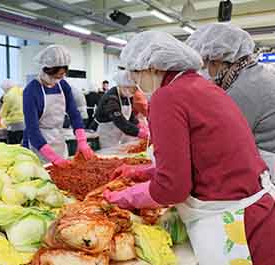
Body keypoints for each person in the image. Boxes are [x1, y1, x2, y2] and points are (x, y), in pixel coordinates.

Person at [103, 31, 275, 265]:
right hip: (259, 212)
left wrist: (128, 196)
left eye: (135, 72)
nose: (134, 80)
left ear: (152, 67)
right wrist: (142, 172)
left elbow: (173, 189)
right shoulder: (202, 87)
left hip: (235, 224)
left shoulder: (167, 97)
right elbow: (202, 157)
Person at [186, 23, 275, 178]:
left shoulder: (244, 89)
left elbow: (221, 142)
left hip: (267, 167)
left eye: (204, 64)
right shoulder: (252, 75)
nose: (203, 72)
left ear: (217, 60)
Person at [22, 45, 94, 166]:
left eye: (60, 77)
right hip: (37, 145)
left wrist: (82, 141)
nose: (56, 80)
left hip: (58, 140)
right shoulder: (31, 90)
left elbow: (74, 113)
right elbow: (32, 130)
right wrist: (53, 158)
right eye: (54, 77)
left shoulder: (63, 85)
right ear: (45, 70)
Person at [94, 70, 149, 149]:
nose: (133, 92)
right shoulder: (111, 99)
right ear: (123, 86)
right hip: (107, 135)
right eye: (132, 89)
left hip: (119, 132)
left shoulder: (126, 96)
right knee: (109, 156)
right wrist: (138, 132)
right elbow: (120, 121)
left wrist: (138, 124)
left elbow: (130, 116)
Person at [0, 79, 24, 144]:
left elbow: (3, 112)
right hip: (24, 122)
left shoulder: (8, 95)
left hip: (14, 123)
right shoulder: (21, 91)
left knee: (13, 145)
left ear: (6, 88)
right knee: (22, 144)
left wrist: (0, 116)